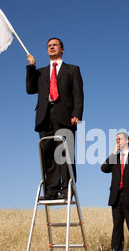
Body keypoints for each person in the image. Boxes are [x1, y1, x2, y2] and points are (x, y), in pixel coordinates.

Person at [26, 38, 84, 200]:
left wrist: (77, 114)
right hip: (44, 117)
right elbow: (30, 90)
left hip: (66, 117)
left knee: (64, 153)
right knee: (48, 153)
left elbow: (78, 94)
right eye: (49, 46)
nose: (51, 47)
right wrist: (32, 67)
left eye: (55, 45)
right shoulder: (41, 72)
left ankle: (67, 189)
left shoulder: (72, 70)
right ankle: (51, 191)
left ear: (62, 49)